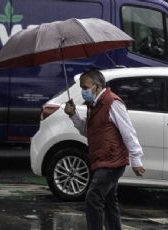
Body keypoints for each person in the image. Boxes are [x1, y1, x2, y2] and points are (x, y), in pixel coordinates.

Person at [64, 69, 145, 230]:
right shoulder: (93, 105)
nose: (83, 91)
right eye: (81, 87)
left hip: (112, 161)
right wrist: (73, 115)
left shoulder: (112, 102)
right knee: (108, 200)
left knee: (93, 197)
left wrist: (136, 158)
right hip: (102, 159)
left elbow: (128, 132)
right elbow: (88, 131)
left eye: (85, 87)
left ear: (97, 86)